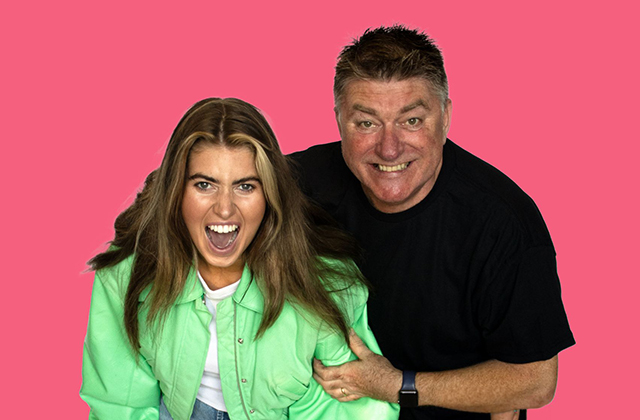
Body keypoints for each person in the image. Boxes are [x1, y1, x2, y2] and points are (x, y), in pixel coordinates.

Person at [291, 25, 575, 419]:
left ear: (446, 118)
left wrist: (394, 385)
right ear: (339, 120)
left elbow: (535, 380)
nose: (389, 148)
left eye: (411, 121)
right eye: (366, 123)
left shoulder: (503, 222)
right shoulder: (293, 185)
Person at [80, 98, 399, 420]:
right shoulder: (126, 278)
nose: (224, 208)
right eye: (204, 185)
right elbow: (120, 405)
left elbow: (350, 409)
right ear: (176, 191)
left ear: (269, 196)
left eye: (245, 186)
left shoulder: (326, 283)